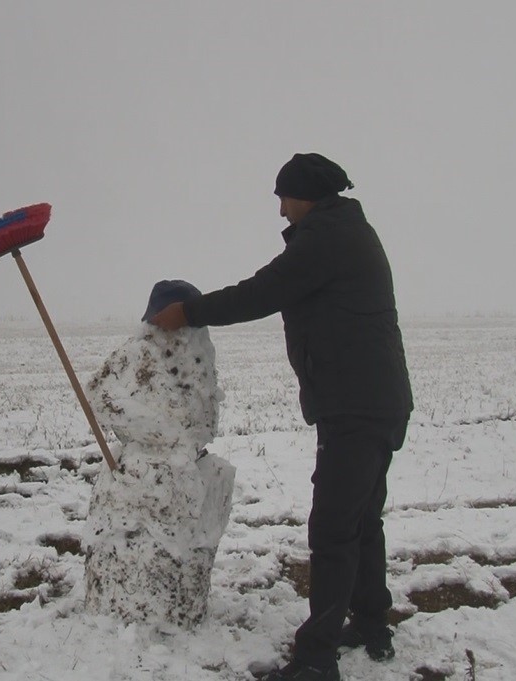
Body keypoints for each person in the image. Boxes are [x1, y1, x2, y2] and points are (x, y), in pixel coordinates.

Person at [150, 153, 413, 681]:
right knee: (361, 520)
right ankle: (370, 624)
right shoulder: (350, 231)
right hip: (376, 400)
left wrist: (190, 312)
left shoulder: (327, 240)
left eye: (282, 199)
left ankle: (317, 659)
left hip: (355, 405)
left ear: (304, 197)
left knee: (335, 528)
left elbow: (263, 292)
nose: (280, 212)